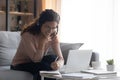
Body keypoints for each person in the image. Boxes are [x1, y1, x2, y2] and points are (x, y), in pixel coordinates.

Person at [11, 9, 64, 80]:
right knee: (43, 66)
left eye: (53, 28)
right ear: (40, 24)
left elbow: (61, 58)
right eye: (47, 27)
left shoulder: (53, 35)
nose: (50, 31)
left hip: (37, 61)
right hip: (20, 64)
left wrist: (58, 64)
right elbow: (36, 60)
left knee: (53, 58)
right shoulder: (27, 35)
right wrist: (42, 42)